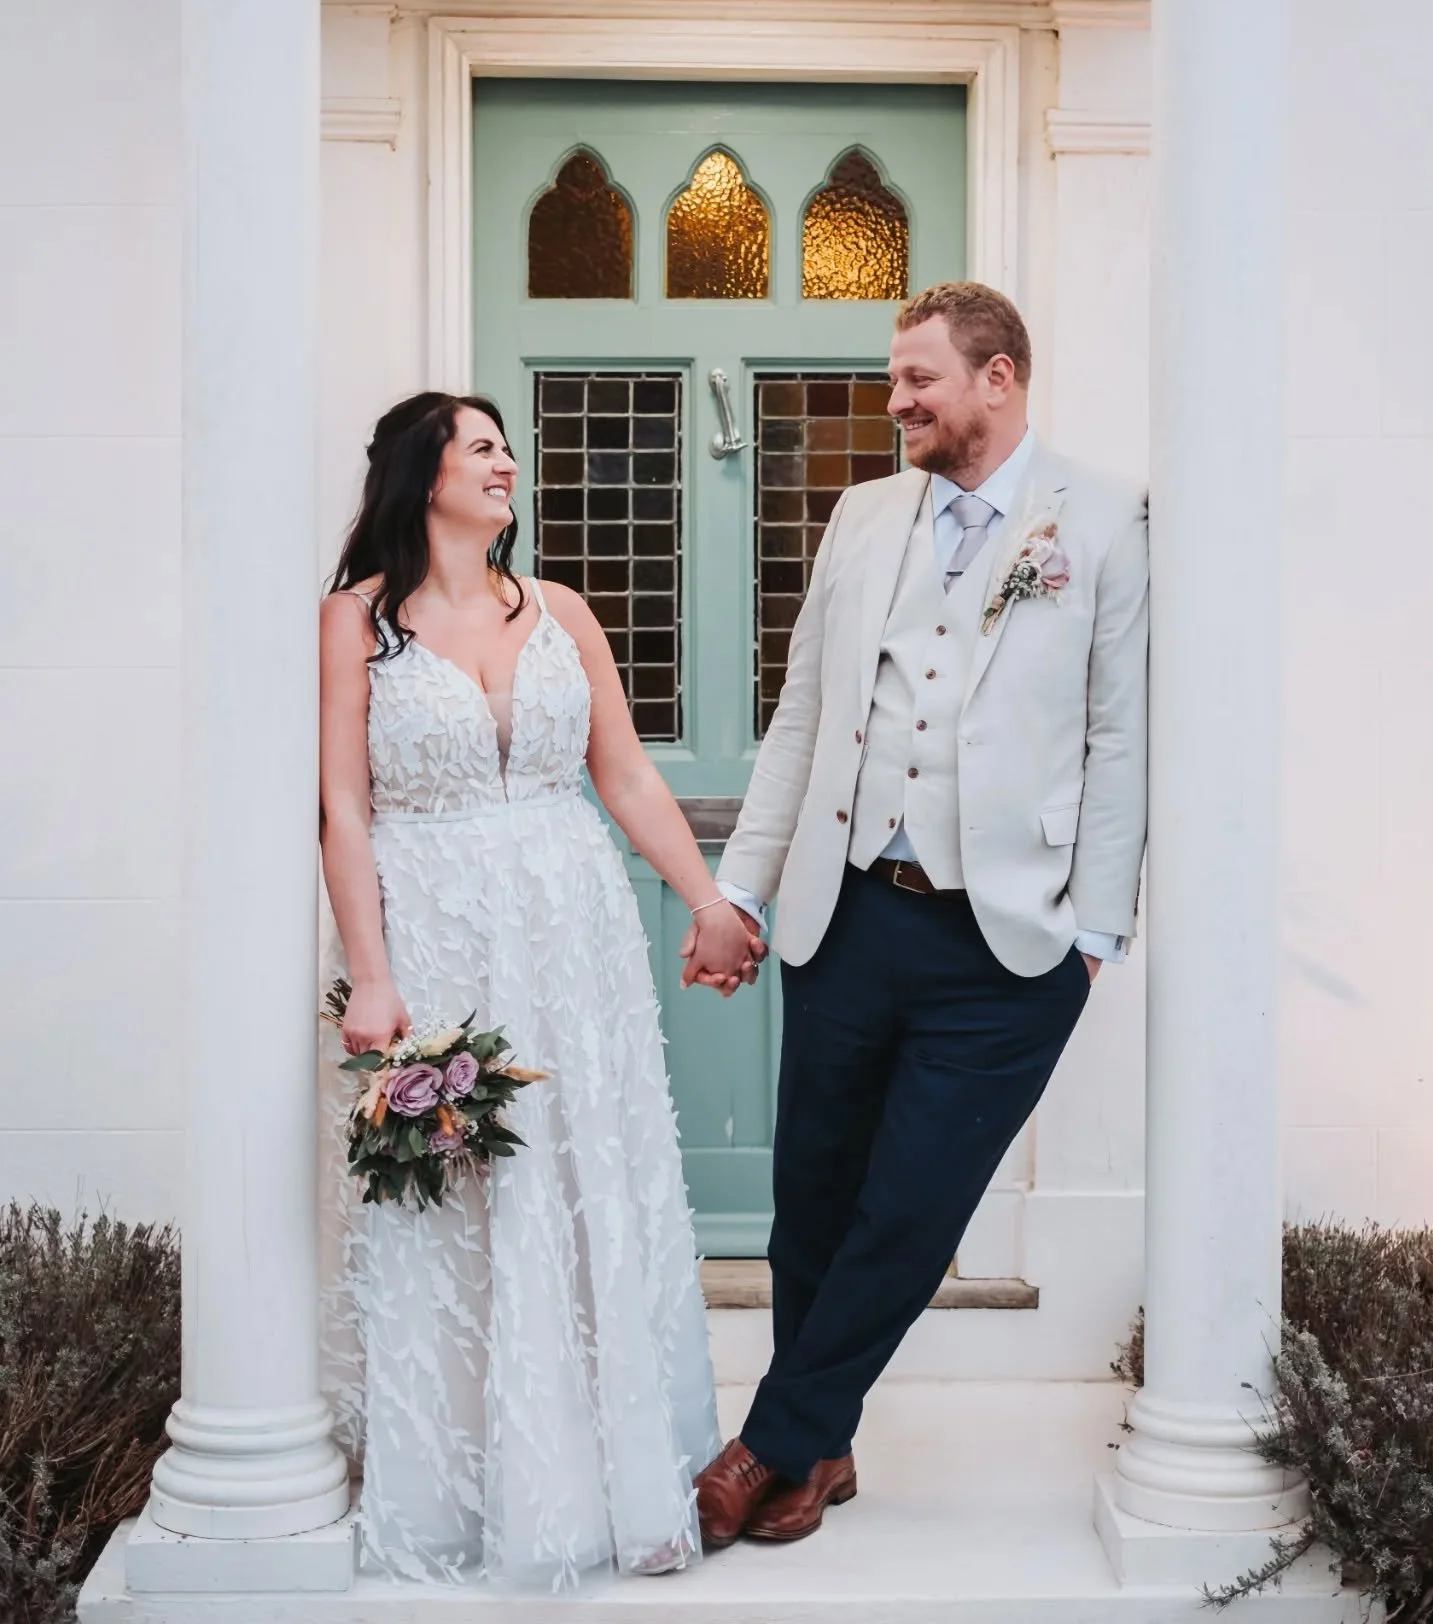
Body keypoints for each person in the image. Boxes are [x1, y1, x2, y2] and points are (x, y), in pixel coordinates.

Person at [690, 281, 1149, 1547]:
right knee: (815, 1201)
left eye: (918, 383)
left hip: (1008, 942)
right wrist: (741, 887)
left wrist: (1096, 932)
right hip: (846, 915)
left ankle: (763, 1446)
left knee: (913, 1210)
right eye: (896, 381)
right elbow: (799, 712)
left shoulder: (1105, 522)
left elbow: (1121, 735)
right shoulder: (861, 512)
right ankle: (821, 1454)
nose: (895, 403)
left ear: (998, 379)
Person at [317, 392, 754, 1585]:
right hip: (439, 931)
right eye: (481, 447)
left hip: (574, 938)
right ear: (424, 473)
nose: (507, 464)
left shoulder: (560, 610)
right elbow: (343, 808)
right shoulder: (356, 622)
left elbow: (626, 775)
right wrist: (372, 976)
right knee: (457, 1199)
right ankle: (465, 1487)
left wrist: (708, 898)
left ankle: (608, 1471)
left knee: (581, 1177)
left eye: (509, 447)